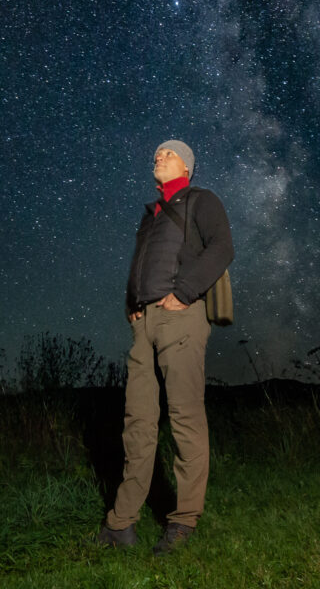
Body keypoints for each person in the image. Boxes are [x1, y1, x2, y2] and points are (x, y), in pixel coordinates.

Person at [95, 139, 234, 555]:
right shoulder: (150, 215)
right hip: (145, 324)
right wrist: (131, 305)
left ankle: (183, 521)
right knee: (137, 421)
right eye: (156, 152)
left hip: (181, 318)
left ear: (186, 166)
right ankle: (121, 524)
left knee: (184, 417)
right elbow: (141, 263)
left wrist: (187, 292)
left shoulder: (202, 200)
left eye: (168, 153)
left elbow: (223, 248)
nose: (158, 156)